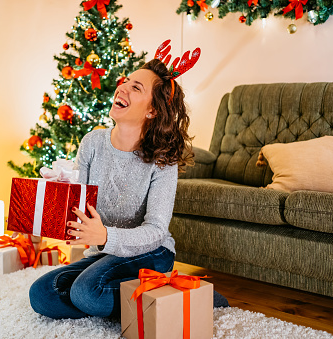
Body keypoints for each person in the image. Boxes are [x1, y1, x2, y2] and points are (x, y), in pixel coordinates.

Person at [29, 42, 229, 320]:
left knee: (87, 292)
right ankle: (152, 299)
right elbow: (80, 212)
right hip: (104, 253)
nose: (122, 87)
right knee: (42, 294)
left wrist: (106, 236)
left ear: (152, 111)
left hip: (152, 253)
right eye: (126, 81)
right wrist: (55, 197)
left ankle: (182, 297)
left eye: (136, 88)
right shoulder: (92, 143)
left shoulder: (163, 159)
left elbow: (157, 230)